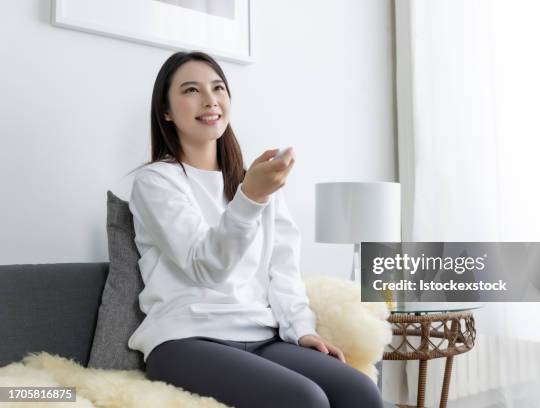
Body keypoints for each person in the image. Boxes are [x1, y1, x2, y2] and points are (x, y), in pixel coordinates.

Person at [126, 51, 384, 408]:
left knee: (360, 391)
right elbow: (206, 266)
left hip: (261, 334)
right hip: (185, 339)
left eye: (218, 88)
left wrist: (301, 330)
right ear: (166, 112)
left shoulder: (252, 182)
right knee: (305, 400)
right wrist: (250, 197)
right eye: (190, 90)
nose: (209, 99)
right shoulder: (156, 182)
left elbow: (283, 267)